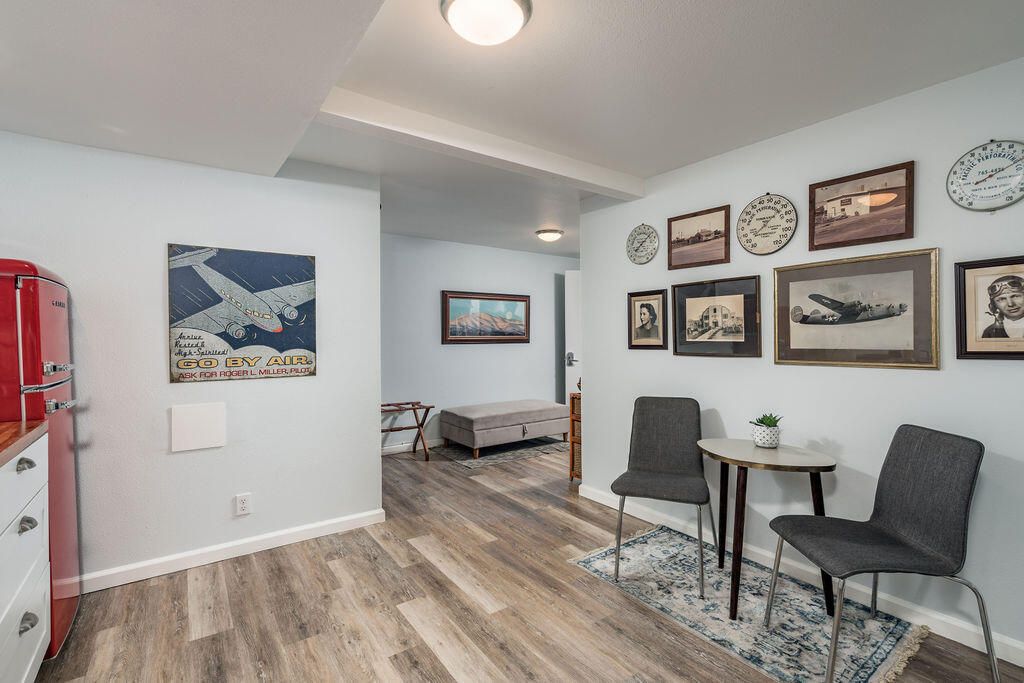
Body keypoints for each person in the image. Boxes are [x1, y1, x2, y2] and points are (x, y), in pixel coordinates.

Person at [982, 274, 1024, 338]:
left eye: (1015, 296)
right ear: (994, 305)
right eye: (1002, 299)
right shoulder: (989, 333)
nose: (1010, 304)